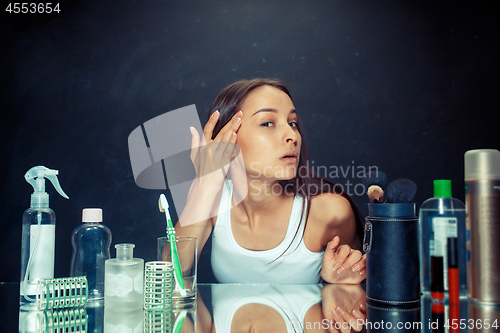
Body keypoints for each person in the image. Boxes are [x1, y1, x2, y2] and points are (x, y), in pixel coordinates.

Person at [175, 78, 366, 284]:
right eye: (268, 123)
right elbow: (171, 273)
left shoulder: (330, 212)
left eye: (292, 123)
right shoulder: (214, 199)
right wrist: (205, 183)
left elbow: (355, 297)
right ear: (227, 137)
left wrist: (335, 283)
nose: (292, 135)